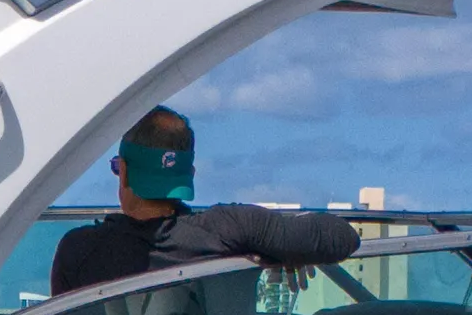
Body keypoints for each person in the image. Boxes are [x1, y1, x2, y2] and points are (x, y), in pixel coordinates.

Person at [48, 108, 365, 294]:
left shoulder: (80, 252)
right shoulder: (233, 230)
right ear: (190, 174)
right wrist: (284, 250)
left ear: (124, 171)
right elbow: (344, 238)